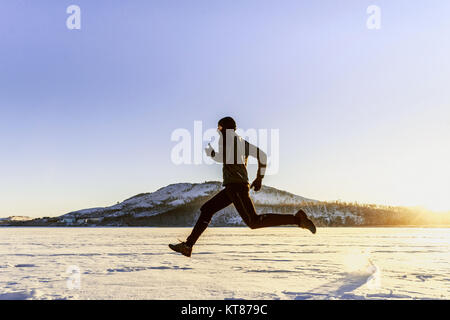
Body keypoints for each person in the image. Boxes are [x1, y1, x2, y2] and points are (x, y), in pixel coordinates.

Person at [169, 117, 316, 257]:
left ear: (226, 129)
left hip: (236, 187)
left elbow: (254, 156)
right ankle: (188, 246)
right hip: (232, 187)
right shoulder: (238, 142)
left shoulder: (231, 141)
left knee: (253, 222)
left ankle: (297, 219)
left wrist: (259, 178)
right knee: (207, 209)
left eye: (220, 128)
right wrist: (259, 178)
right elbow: (260, 156)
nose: (218, 131)